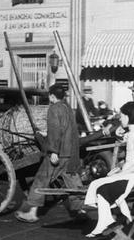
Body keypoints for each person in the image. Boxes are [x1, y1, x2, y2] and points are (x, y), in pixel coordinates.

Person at [15, 84, 85, 223]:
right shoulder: (68, 108)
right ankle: (81, 210)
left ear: (52, 96)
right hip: (69, 153)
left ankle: (32, 213)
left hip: (58, 153)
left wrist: (53, 151)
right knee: (73, 183)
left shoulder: (53, 109)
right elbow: (68, 130)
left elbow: (55, 132)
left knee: (41, 179)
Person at [84, 101, 134, 237]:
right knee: (98, 184)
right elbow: (129, 151)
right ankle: (106, 220)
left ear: (128, 117)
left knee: (101, 186)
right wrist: (119, 169)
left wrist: (121, 173)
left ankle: (106, 220)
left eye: (121, 116)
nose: (120, 119)